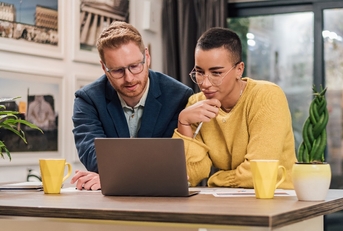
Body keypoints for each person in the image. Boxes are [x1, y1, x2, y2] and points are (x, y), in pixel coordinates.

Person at [71, 21, 193, 190]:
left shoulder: (179, 97)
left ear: (147, 57)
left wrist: (111, 176)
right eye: (117, 70)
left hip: (165, 200)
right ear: (104, 68)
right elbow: (92, 154)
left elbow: (174, 164)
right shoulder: (87, 99)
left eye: (135, 66)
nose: (129, 78)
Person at [173, 27, 296, 189]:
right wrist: (184, 122)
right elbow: (189, 176)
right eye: (199, 72)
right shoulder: (196, 104)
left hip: (280, 201)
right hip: (229, 202)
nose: (205, 83)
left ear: (239, 69)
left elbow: (257, 173)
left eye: (216, 73)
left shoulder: (267, 96)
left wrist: (216, 179)